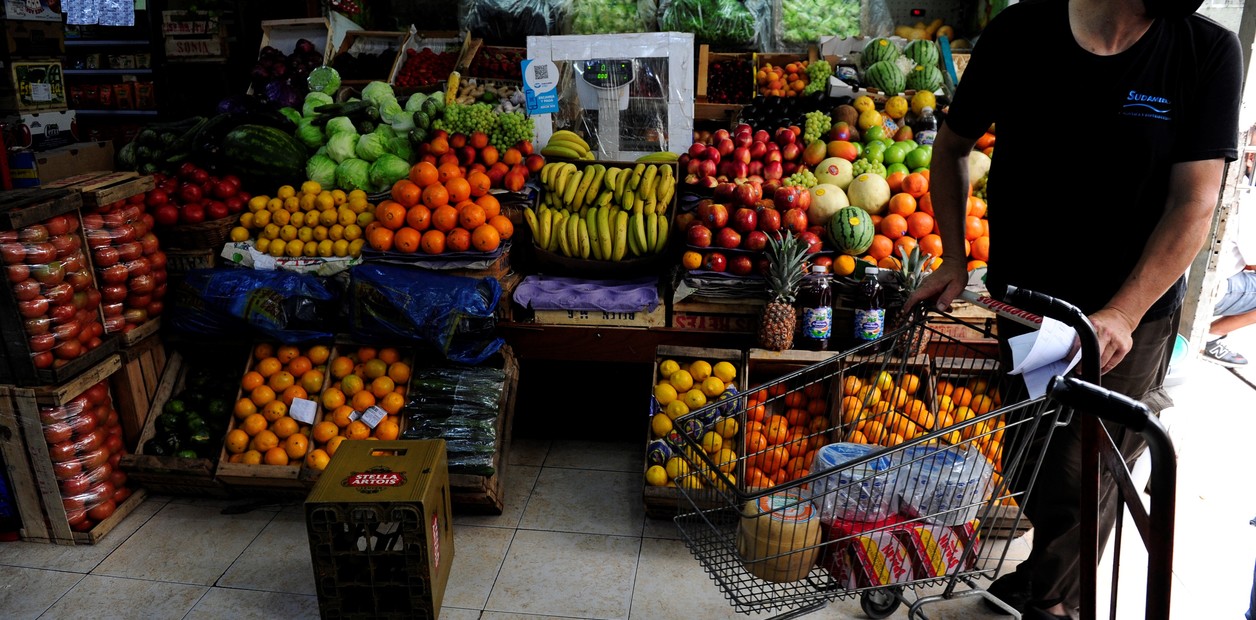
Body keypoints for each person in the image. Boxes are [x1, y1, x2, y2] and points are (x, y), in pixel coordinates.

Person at [904, 0, 1243, 618]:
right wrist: (953, 257)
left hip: (1127, 316)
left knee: (1081, 476)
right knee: (1028, 457)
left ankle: (1057, 603)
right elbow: (951, 147)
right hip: (1026, 307)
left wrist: (1124, 312)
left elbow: (1195, 202)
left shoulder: (1206, 51)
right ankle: (1046, 574)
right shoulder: (1020, 32)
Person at [1203, 154, 1256, 366]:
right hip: (1207, 288)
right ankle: (1209, 337)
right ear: (1250, 158)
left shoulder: (1224, 174)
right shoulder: (1247, 193)